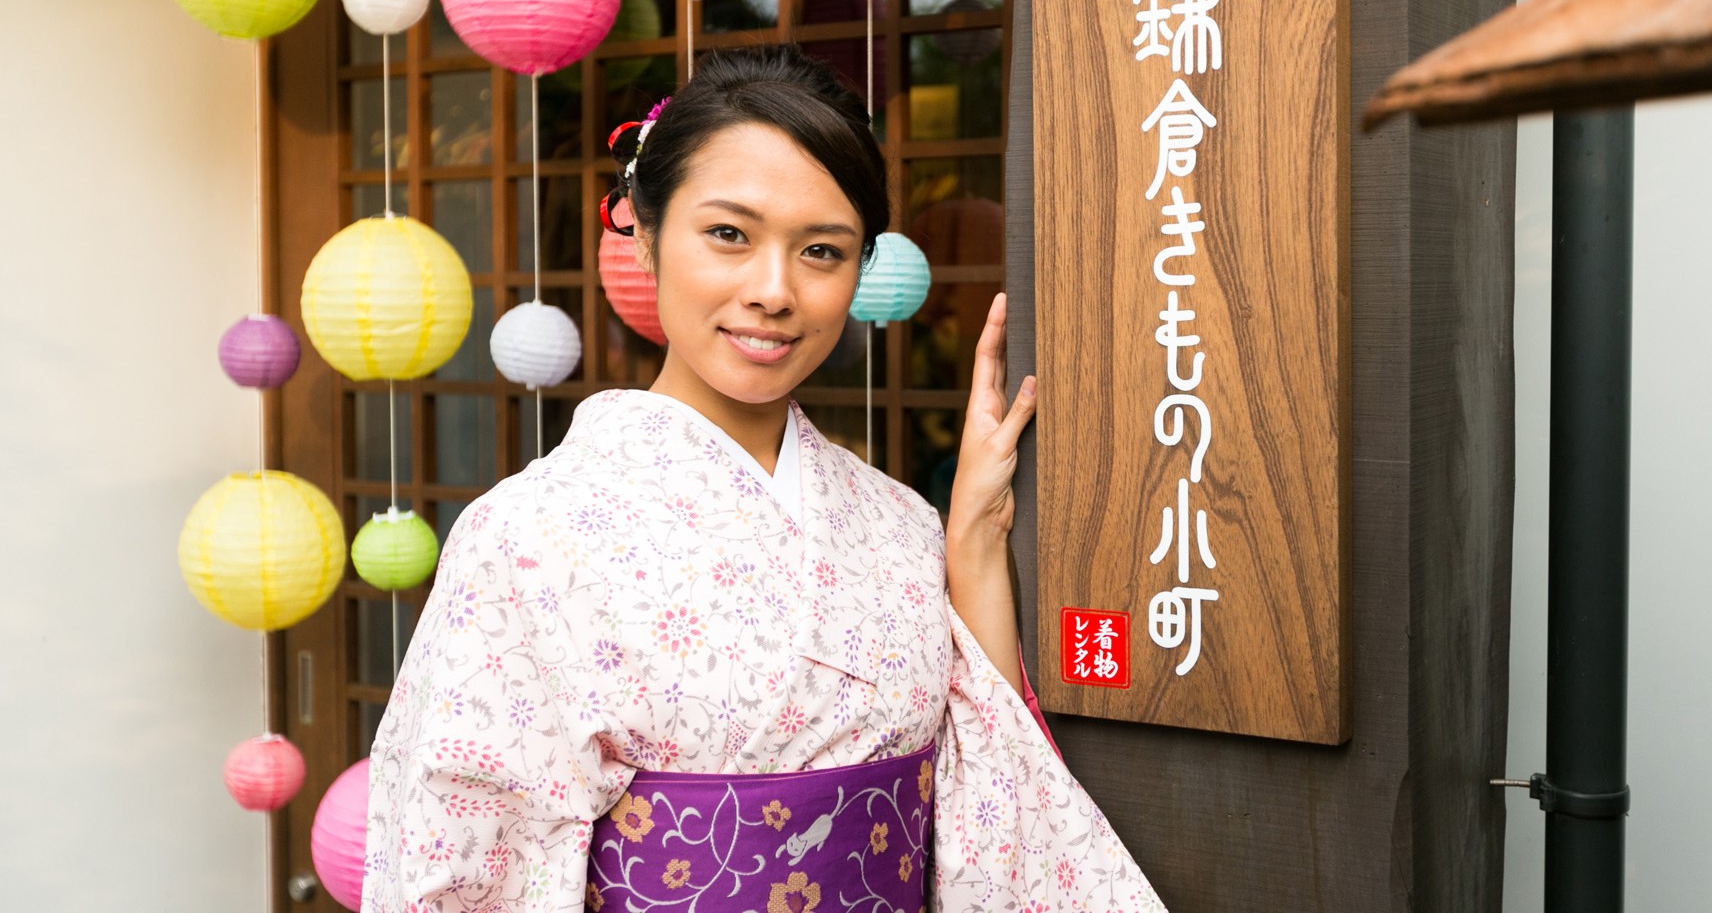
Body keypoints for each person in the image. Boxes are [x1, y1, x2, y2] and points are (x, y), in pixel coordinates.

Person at [363, 45, 1162, 911]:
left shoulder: (897, 522)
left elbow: (989, 780)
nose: (774, 291)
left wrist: (970, 533)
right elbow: (467, 864)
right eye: (729, 235)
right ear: (641, 228)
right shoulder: (523, 536)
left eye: (821, 250)